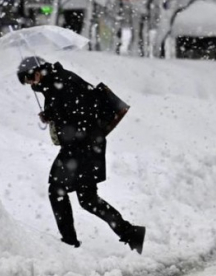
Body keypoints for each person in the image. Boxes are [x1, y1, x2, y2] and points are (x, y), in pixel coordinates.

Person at [17, 56, 145, 253]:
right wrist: (51, 115)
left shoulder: (64, 82)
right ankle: (130, 233)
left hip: (82, 145)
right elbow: (69, 110)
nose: (31, 85)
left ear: (37, 72)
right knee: (88, 199)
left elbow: (82, 112)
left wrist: (54, 115)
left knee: (57, 189)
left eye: (30, 80)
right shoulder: (54, 83)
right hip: (85, 144)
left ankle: (69, 243)